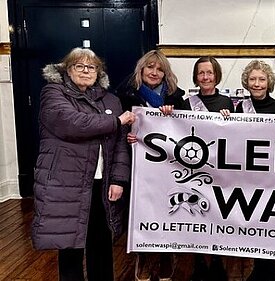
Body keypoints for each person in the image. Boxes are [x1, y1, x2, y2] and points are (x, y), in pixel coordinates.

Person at [31, 47, 135, 281]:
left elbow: (120, 145)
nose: (86, 71)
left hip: (102, 183)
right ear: (68, 69)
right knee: (70, 246)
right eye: (80, 66)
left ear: (99, 72)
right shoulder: (53, 93)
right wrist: (115, 121)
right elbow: (73, 123)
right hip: (66, 183)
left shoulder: (111, 99)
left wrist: (119, 179)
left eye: (92, 67)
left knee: (101, 243)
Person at [160, 56, 234, 281]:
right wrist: (165, 114)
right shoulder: (186, 103)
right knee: (199, 216)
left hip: (219, 171)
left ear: (216, 75)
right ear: (196, 77)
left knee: (219, 216)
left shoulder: (227, 102)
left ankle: (218, 260)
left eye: (209, 73)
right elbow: (177, 131)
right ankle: (200, 261)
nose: (205, 77)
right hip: (195, 170)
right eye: (201, 73)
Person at [116, 50, 185, 281]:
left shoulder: (177, 98)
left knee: (170, 209)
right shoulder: (125, 95)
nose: (155, 72)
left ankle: (166, 256)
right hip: (139, 166)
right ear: (141, 70)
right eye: (150, 67)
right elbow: (116, 127)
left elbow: (189, 131)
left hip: (169, 167)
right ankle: (143, 256)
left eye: (160, 69)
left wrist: (174, 116)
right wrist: (127, 134)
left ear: (166, 74)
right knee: (141, 210)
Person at [220, 60, 275, 281]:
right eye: (252, 79)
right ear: (246, 83)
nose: (257, 84)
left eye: (261, 79)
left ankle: (270, 269)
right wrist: (224, 121)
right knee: (253, 223)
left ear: (269, 82)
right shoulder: (238, 107)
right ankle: (257, 268)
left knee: (270, 222)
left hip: (272, 177)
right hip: (247, 177)